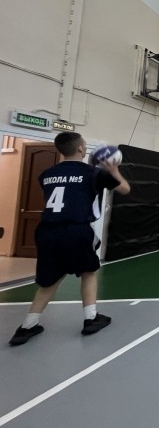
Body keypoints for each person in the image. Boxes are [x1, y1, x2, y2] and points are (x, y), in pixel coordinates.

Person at [9, 132, 131, 346]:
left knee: (49, 280)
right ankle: (91, 318)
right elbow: (125, 189)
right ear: (81, 149)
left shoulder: (46, 174)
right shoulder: (93, 173)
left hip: (47, 232)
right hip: (76, 230)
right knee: (89, 272)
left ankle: (27, 326)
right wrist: (113, 170)